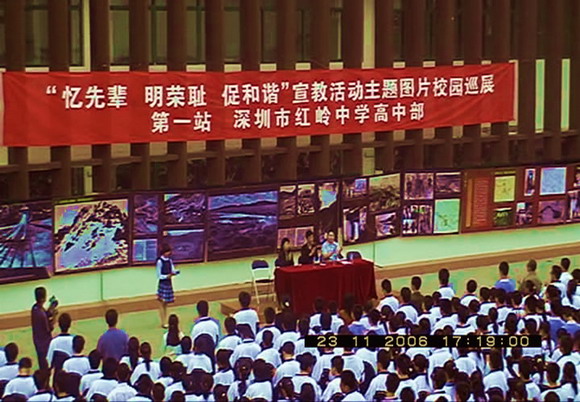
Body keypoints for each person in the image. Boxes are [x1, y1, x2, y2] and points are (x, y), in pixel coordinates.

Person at [31, 287, 56, 370]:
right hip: (44, 342)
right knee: (46, 364)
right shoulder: (41, 314)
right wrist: (55, 316)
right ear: (43, 298)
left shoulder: (35, 308)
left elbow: (46, 314)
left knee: (41, 361)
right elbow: (49, 328)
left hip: (37, 340)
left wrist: (52, 307)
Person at [157, 244, 179, 328]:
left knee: (166, 304)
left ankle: (165, 321)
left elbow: (172, 270)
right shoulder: (159, 261)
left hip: (169, 283)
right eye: (167, 251)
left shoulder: (169, 260)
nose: (169, 253)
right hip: (163, 283)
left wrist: (175, 272)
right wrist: (167, 276)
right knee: (162, 303)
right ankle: (163, 322)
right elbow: (159, 275)